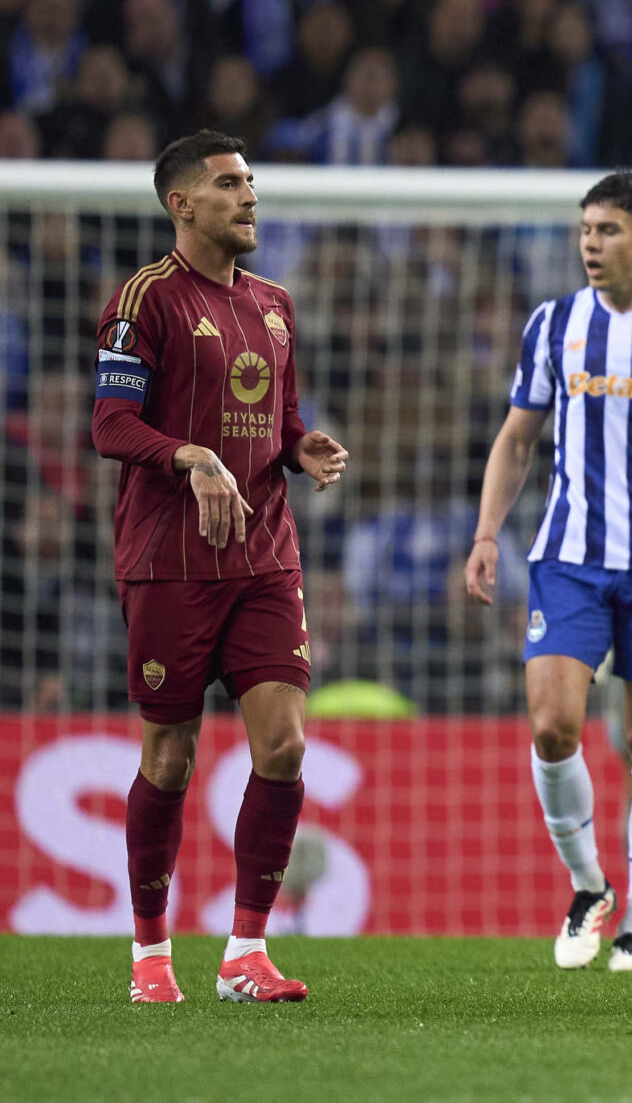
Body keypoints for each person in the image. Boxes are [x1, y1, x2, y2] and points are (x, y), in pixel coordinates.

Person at [93, 132, 350, 1005]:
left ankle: (246, 950)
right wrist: (190, 456)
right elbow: (111, 426)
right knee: (169, 759)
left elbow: (277, 418)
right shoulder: (145, 300)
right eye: (229, 184)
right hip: (169, 561)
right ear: (182, 204)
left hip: (265, 554)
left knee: (283, 745)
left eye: (251, 182)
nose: (249, 197)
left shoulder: (276, 303)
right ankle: (150, 953)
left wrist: (297, 444)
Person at [462, 172, 632, 974]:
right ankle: (588, 883)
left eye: (609, 230)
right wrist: (487, 532)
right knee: (553, 724)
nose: (591, 243)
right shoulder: (554, 323)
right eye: (586, 229)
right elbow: (518, 437)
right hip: (568, 556)